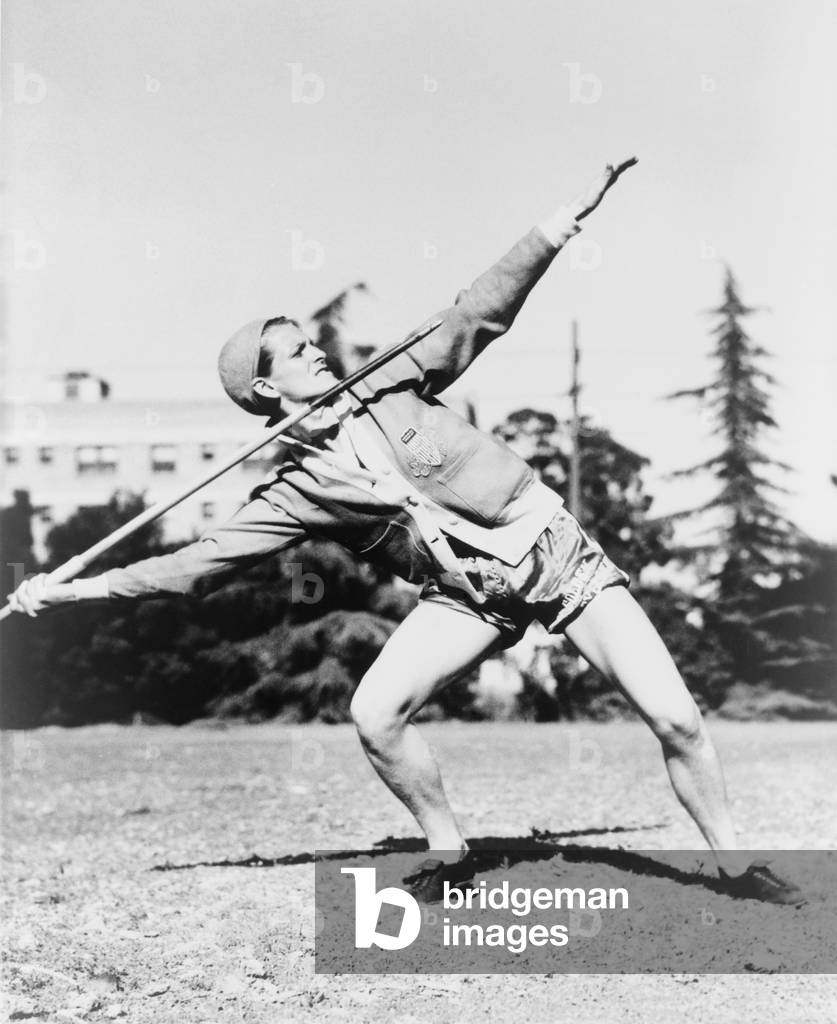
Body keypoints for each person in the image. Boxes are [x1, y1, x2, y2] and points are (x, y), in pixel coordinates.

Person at [10, 159, 801, 906]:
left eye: (309, 341)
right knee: (374, 713)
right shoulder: (293, 491)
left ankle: (735, 861)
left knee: (674, 718)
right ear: (264, 387)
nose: (316, 351)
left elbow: (475, 314)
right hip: (467, 597)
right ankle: (447, 851)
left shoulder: (388, 378)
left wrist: (557, 226)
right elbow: (198, 563)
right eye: (295, 352)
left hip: (555, 557)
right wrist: (74, 588)